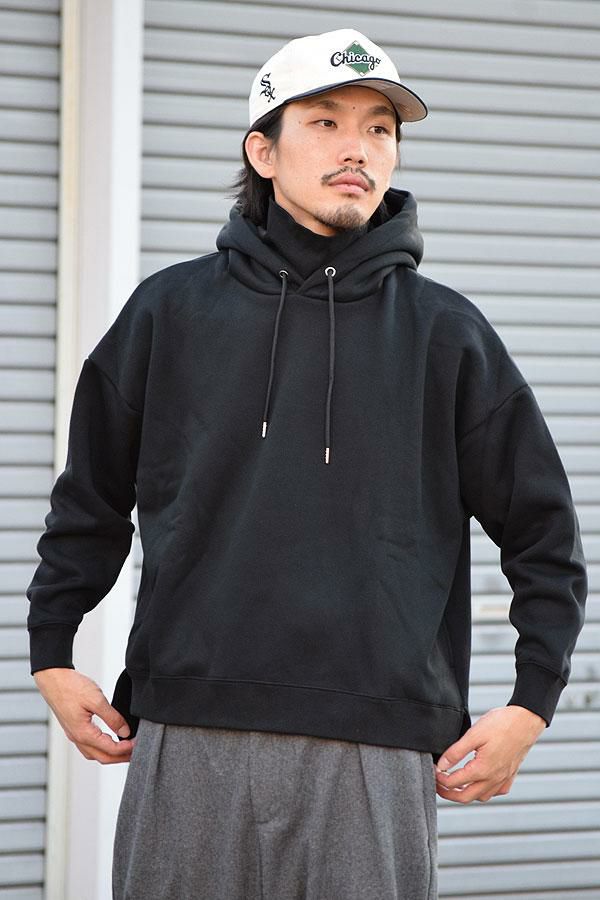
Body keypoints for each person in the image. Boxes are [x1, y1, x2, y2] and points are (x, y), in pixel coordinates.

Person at [27, 28, 587, 900]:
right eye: (326, 122)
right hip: (190, 730)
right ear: (264, 150)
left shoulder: (447, 335)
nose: (357, 148)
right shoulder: (168, 314)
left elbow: (544, 536)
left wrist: (531, 704)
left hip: (377, 748)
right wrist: (52, 653)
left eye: (379, 129)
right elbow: (89, 502)